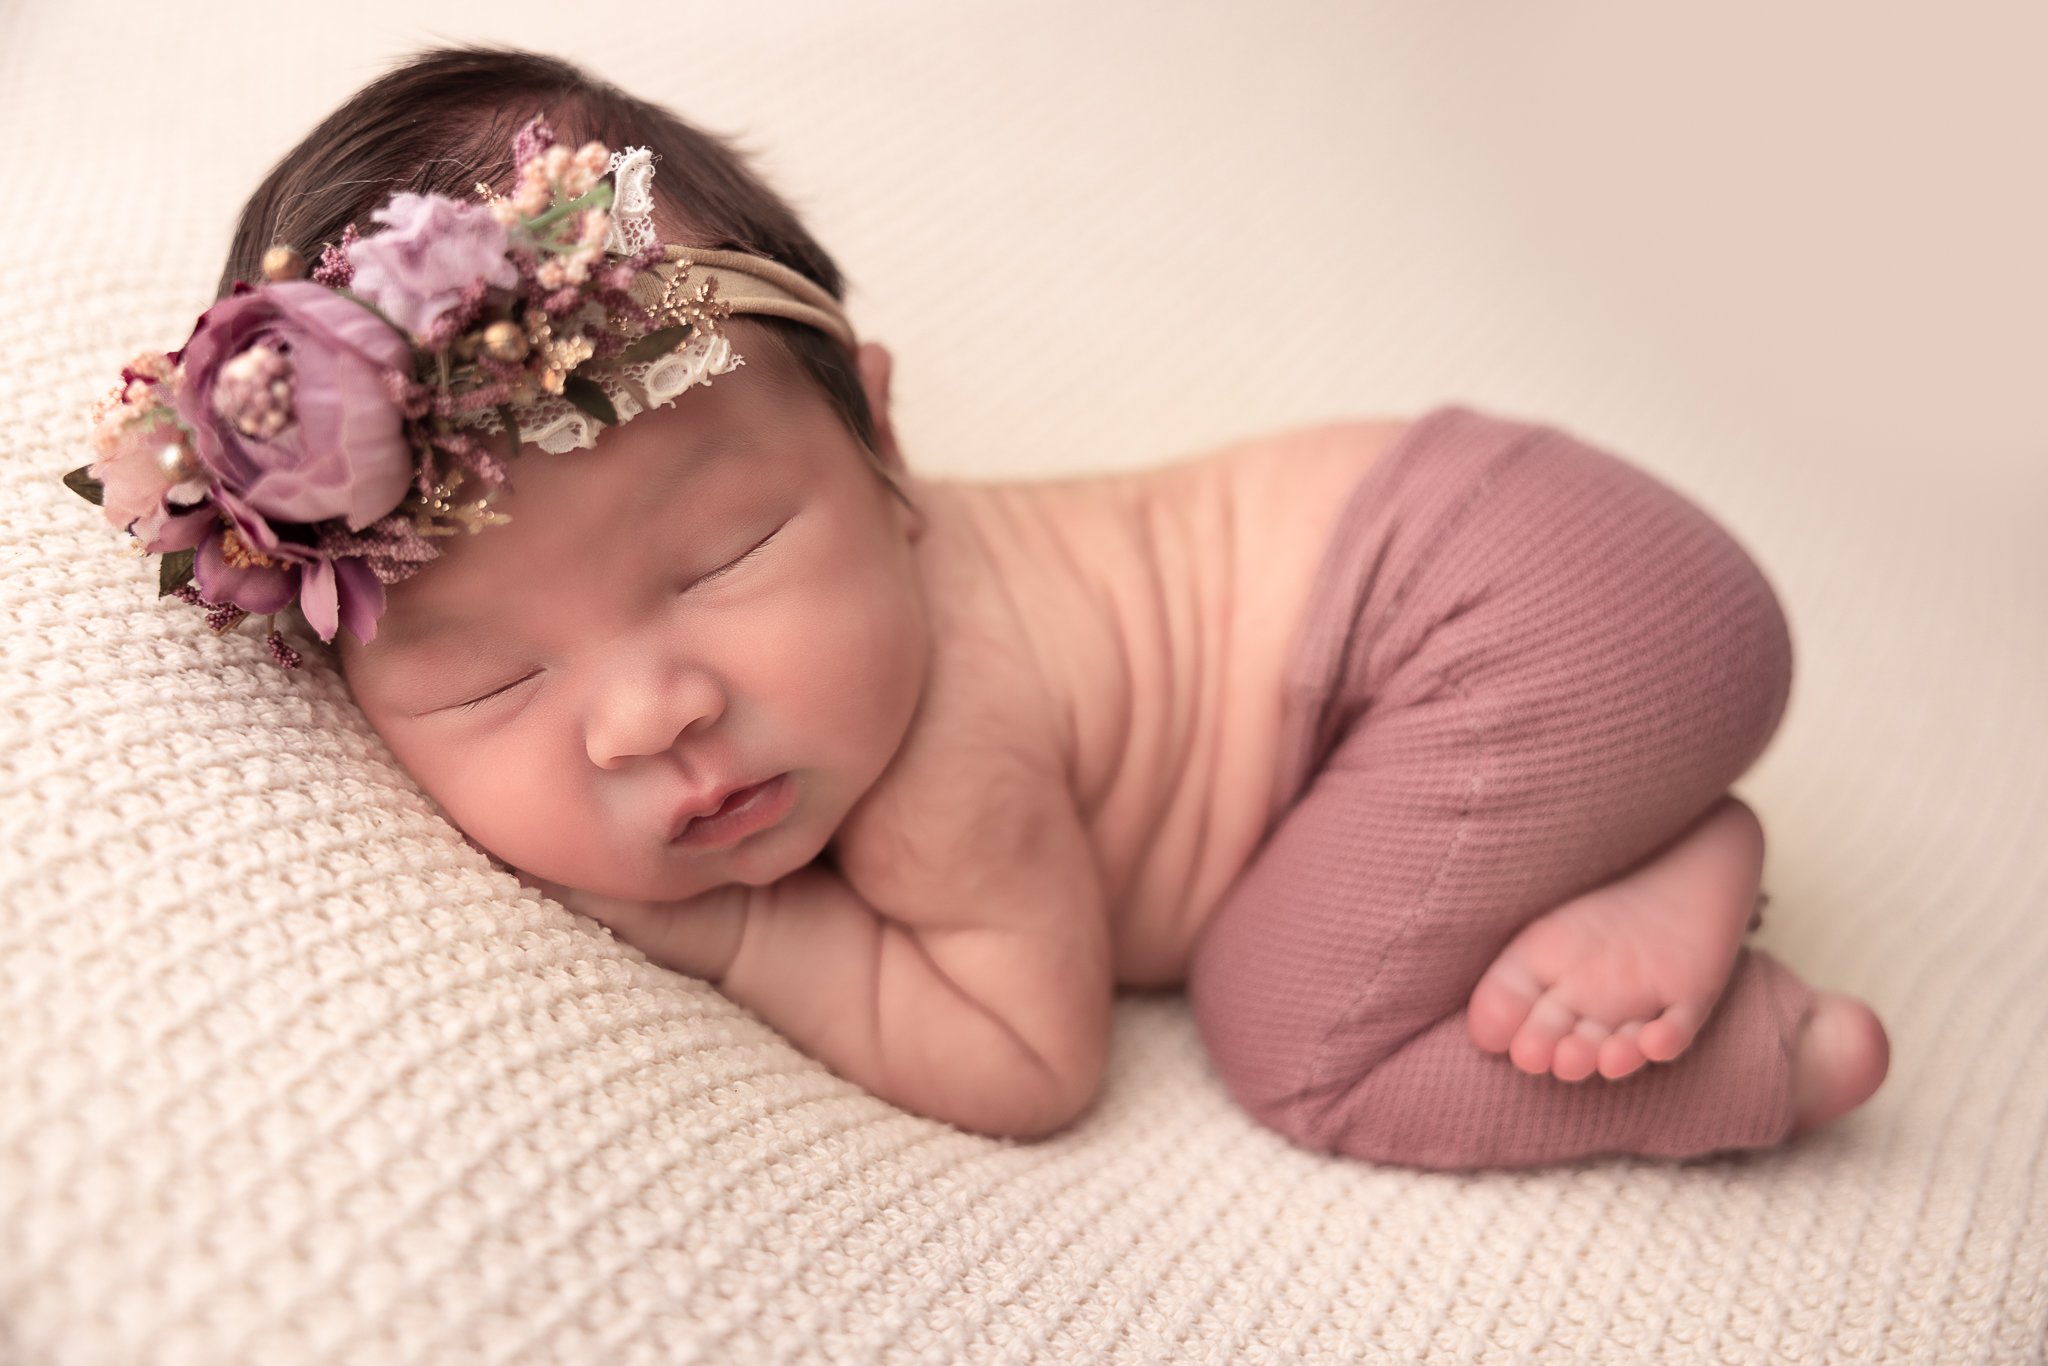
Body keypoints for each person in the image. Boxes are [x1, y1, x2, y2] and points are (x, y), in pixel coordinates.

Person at [73, 47, 1887, 1168]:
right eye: (496, 677)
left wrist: (729, 939)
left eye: (718, 563)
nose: (650, 715)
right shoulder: (813, 669)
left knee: (1293, 1031)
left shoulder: (946, 729)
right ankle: (1647, 830)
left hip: (1516, 600)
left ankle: (1755, 1048)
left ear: (878, 435)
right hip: (1529, 561)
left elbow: (1030, 1058)